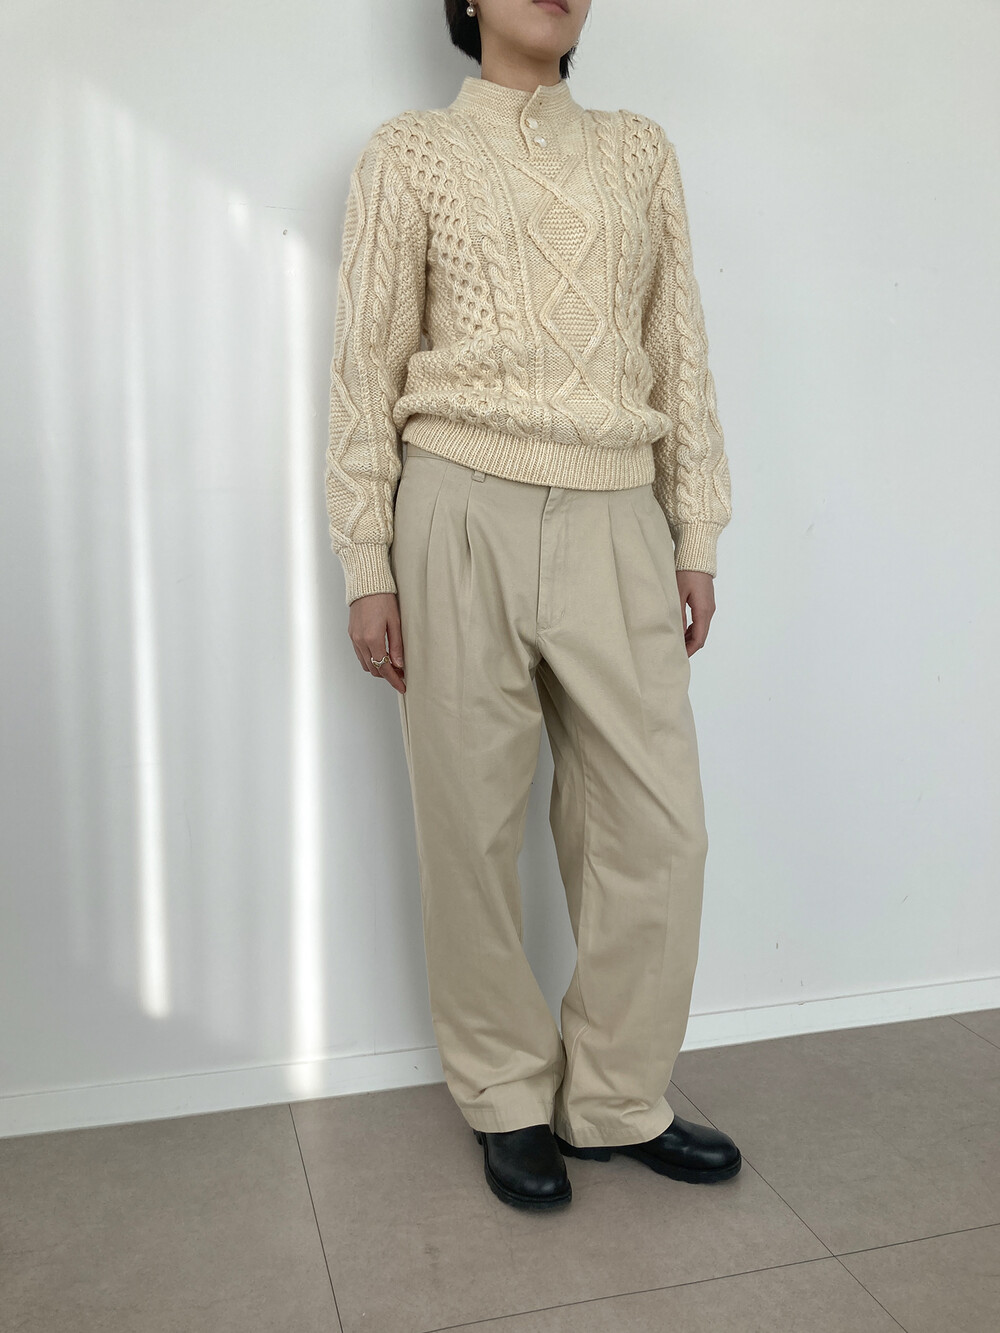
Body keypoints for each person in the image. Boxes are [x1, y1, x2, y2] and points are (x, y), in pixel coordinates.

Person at [325, 0, 740, 1211]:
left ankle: (614, 1098)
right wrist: (365, 561)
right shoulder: (410, 154)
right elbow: (362, 366)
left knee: (658, 827)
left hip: (617, 510)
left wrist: (695, 527)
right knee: (469, 825)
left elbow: (681, 349)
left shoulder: (638, 150)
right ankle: (506, 1092)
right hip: (457, 503)